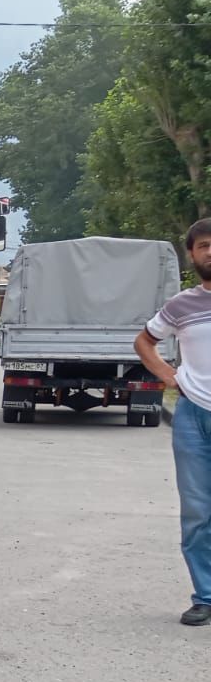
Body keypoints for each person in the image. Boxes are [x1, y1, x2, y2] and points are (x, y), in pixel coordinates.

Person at [136, 218, 211, 626]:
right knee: (198, 510)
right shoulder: (181, 305)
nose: (210, 252)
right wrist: (169, 376)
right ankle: (205, 596)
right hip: (192, 415)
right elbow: (144, 341)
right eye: (203, 246)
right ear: (192, 254)